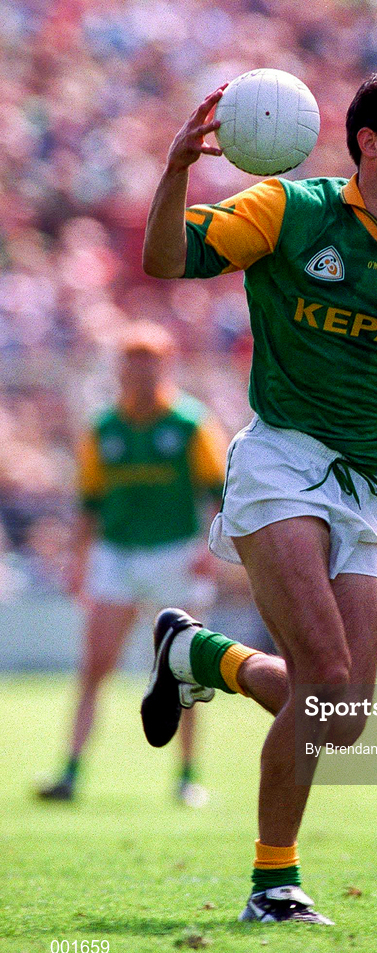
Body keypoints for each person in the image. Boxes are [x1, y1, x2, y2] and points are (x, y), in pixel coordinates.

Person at [140, 57, 377, 922]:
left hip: (363, 487)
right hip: (278, 461)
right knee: (324, 672)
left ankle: (196, 656)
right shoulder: (288, 210)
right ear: (368, 143)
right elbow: (167, 259)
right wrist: (174, 174)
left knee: (342, 714)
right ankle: (273, 884)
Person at [38, 321, 228, 807]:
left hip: (174, 554)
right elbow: (89, 502)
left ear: (166, 366)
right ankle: (71, 771)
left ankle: (188, 777)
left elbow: (218, 493)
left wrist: (210, 549)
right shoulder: (103, 428)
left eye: (150, 362)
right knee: (94, 666)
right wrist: (77, 561)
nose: (141, 372)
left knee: (184, 671)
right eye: (133, 362)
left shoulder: (190, 423)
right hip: (117, 556)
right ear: (121, 368)